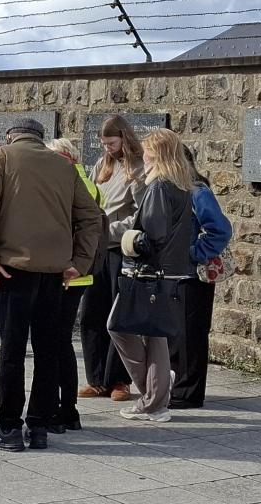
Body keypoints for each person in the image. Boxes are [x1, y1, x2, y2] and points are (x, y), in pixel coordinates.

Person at [0, 118, 102, 452]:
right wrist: (79, 262)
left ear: (11, 136)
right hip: (56, 273)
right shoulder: (64, 166)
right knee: (48, 351)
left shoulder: (1, 157)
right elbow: (91, 218)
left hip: (13, 269)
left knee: (12, 351)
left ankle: (9, 427)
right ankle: (39, 425)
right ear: (42, 140)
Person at [108, 128, 197, 423]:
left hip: (151, 272)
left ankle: (154, 400)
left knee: (119, 326)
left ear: (155, 154)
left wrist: (128, 238)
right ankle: (155, 395)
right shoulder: (180, 184)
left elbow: (153, 234)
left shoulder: (159, 186)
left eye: (146, 150)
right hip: (169, 272)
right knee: (154, 336)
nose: (142, 154)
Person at [79, 116, 144, 401]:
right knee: (91, 313)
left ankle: (119, 379)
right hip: (98, 248)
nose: (107, 149)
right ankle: (96, 379)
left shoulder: (138, 169)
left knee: (118, 317)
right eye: (103, 144)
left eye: (112, 143)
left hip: (119, 248)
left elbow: (141, 215)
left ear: (124, 138)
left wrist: (109, 229)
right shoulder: (101, 166)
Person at [44, 137, 103, 433]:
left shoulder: (73, 184)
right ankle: (66, 409)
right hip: (78, 272)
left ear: (66, 157)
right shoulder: (84, 182)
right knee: (61, 342)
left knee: (57, 343)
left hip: (66, 273)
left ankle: (62, 409)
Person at [171, 146, 233, 409]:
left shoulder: (198, 191)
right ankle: (177, 387)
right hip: (176, 274)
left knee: (190, 335)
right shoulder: (177, 191)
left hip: (193, 275)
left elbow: (220, 230)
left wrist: (193, 252)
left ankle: (189, 392)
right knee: (176, 334)